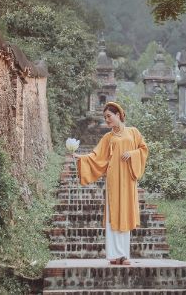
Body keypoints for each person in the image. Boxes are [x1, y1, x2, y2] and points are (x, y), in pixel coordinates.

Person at [73, 101, 148, 265]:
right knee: (113, 213)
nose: (107, 120)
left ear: (118, 115)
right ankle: (115, 256)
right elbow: (96, 156)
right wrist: (81, 158)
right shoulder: (108, 137)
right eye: (105, 117)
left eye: (109, 116)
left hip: (128, 179)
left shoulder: (133, 132)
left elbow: (143, 149)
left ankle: (124, 255)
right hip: (113, 179)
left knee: (125, 213)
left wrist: (132, 153)